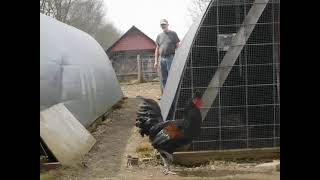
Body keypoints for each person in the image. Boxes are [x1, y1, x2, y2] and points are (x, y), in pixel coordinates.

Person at [154, 19, 180, 94]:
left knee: (171, 77)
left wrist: (178, 58)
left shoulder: (173, 34)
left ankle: (173, 94)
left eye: (164, 24)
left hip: (170, 58)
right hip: (162, 59)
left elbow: (178, 46)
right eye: (162, 25)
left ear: (168, 25)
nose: (163, 26)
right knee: (163, 78)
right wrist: (156, 61)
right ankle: (166, 95)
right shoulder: (159, 36)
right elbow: (157, 49)